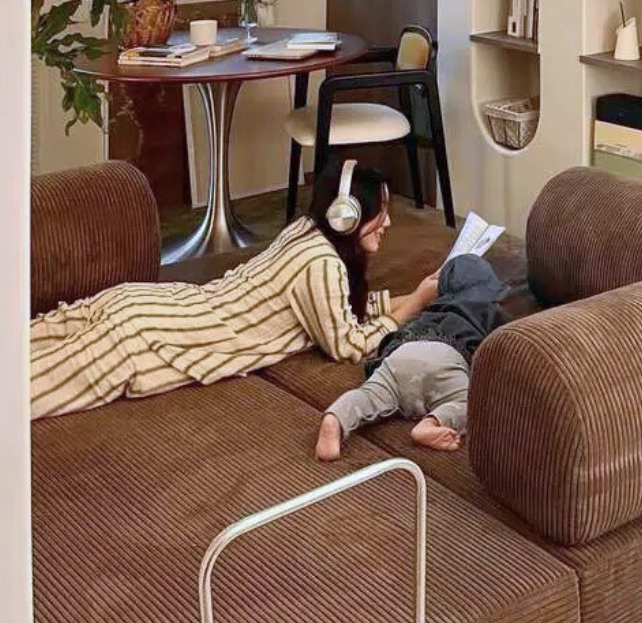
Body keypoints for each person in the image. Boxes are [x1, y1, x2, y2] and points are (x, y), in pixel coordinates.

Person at [30, 162, 437, 420]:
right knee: (22, 396)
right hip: (146, 338)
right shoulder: (321, 263)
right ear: (345, 216)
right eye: (380, 213)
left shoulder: (305, 232)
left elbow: (337, 309)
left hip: (145, 305)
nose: (388, 223)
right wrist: (412, 305)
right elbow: (347, 345)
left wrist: (408, 299)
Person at [316, 251, 507, 458]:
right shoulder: (489, 310)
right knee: (473, 406)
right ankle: (432, 423)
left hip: (402, 354)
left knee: (367, 396)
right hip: (448, 356)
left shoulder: (431, 310)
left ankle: (336, 419)